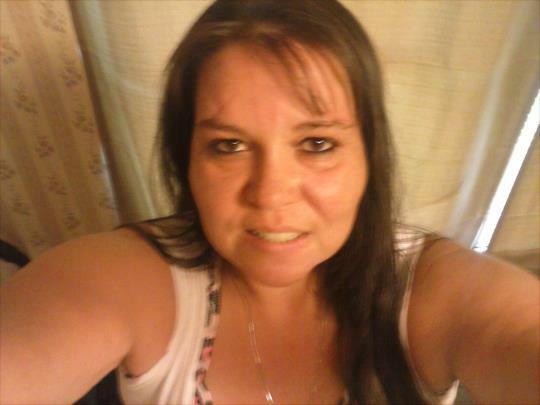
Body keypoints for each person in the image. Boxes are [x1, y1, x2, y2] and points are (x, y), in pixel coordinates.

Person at [1, 1, 538, 404]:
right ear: (187, 161)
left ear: (369, 158)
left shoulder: (431, 291)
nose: (271, 194)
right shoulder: (135, 279)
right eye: (228, 146)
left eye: (317, 143)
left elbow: (515, 332)